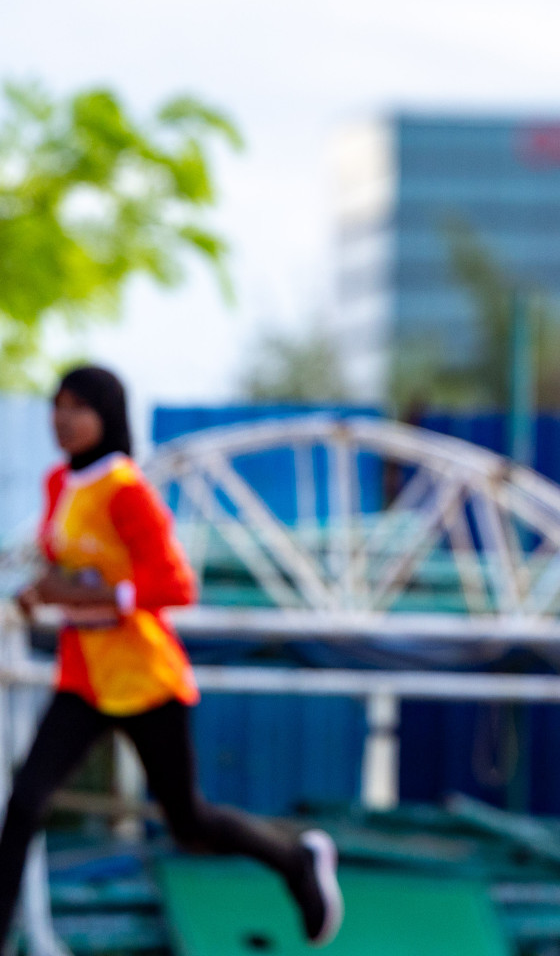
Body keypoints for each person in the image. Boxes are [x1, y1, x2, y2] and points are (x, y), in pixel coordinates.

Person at [3, 366, 343, 947]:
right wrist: (41, 591)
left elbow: (175, 585)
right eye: (57, 406)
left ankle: (296, 862)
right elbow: (68, 566)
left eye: (78, 407)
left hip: (143, 678)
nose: (63, 419)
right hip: (84, 678)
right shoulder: (60, 484)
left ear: (106, 416)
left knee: (187, 821)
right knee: (26, 806)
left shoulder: (127, 489)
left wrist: (90, 595)